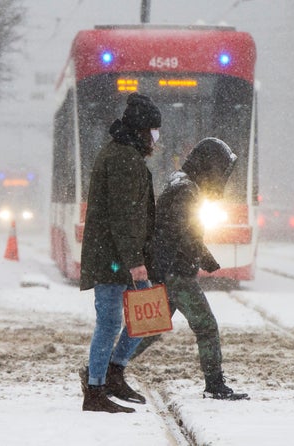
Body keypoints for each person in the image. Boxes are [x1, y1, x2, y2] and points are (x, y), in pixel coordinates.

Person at [133, 137, 249, 401]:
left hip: (172, 271)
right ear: (210, 167)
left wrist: (204, 257)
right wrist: (164, 274)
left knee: (151, 330)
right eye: (221, 171)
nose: (222, 178)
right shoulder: (187, 192)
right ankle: (215, 385)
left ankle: (106, 371)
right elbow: (172, 235)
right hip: (177, 274)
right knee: (206, 326)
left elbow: (183, 232)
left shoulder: (183, 186)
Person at [79, 92, 162, 413]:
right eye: (154, 131)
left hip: (116, 256)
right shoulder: (124, 159)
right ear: (142, 130)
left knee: (147, 319)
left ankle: (112, 375)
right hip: (113, 259)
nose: (156, 138)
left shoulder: (124, 154)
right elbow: (124, 216)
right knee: (111, 322)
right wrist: (135, 262)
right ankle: (96, 389)